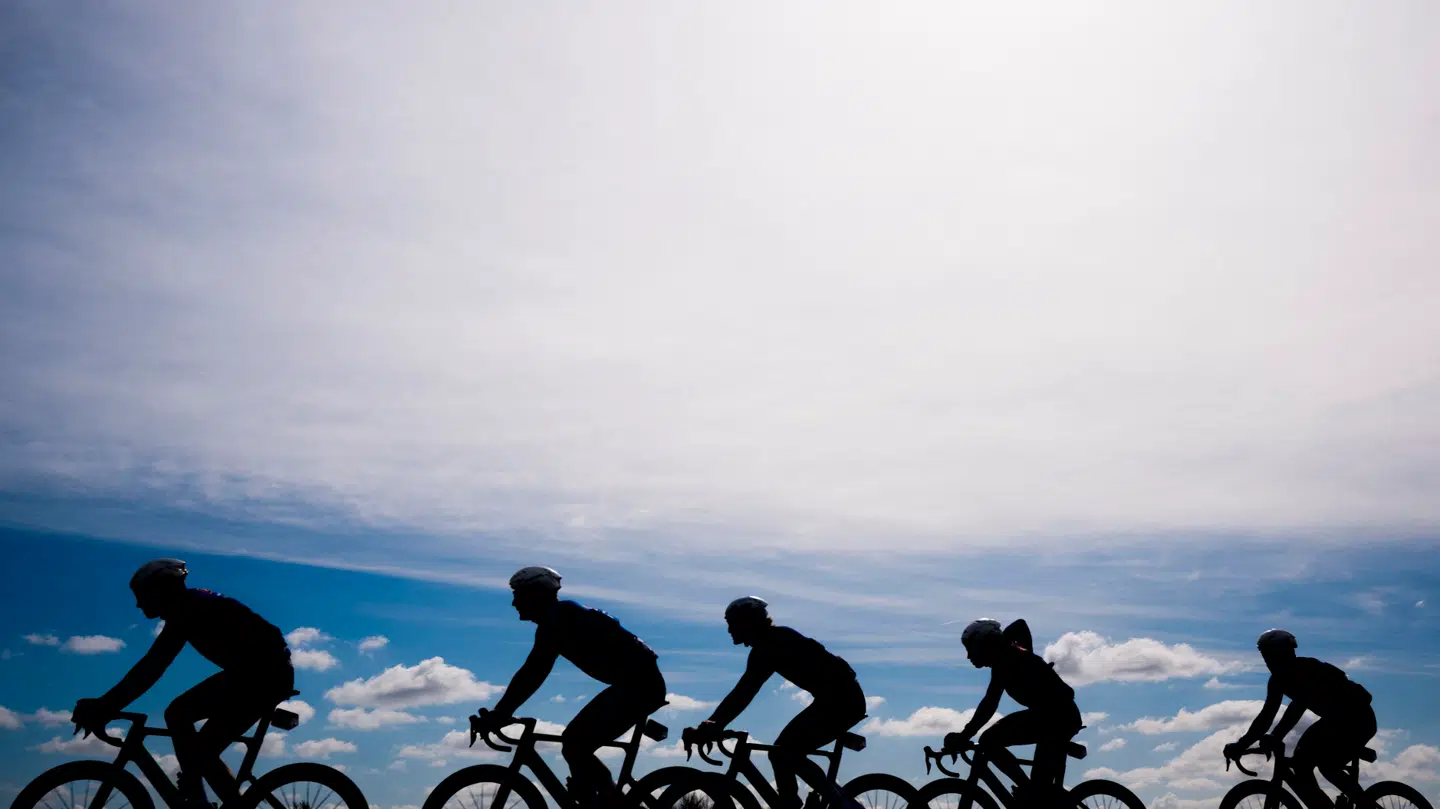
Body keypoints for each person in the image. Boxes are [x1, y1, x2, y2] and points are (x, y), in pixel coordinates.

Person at [72, 559, 294, 809]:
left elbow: (151, 668)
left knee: (196, 744)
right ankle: (200, 799)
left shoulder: (191, 608)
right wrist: (106, 705)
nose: (138, 604)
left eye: (142, 595)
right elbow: (151, 667)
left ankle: (200, 800)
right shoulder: (187, 608)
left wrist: (105, 705)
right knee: (181, 720)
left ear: (162, 588)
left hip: (262, 676)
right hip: (255, 674)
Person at [475, 566, 666, 809]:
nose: (514, 603)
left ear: (537, 593)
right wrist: (502, 711)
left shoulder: (563, 618)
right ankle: (605, 799)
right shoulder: (554, 621)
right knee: (574, 746)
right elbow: (532, 671)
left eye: (518, 595)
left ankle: (604, 801)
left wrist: (502, 712)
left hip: (641, 685)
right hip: (634, 684)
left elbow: (534, 672)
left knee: (575, 744)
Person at [694, 597, 867, 809]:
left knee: (783, 752)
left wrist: (715, 722)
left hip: (843, 701)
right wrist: (715, 722)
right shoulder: (767, 644)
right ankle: (796, 802)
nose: (729, 630)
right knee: (782, 753)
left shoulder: (774, 642)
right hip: (836, 699)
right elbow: (743, 691)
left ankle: (837, 804)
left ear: (749, 622)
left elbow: (744, 692)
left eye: (733, 623)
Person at [1224, 629, 1376, 809]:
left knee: (1327, 766)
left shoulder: (1307, 668)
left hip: (1359, 719)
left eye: (1272, 656)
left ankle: (1366, 806)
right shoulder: (1277, 680)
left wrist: (1275, 735)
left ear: (1287, 653)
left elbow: (1298, 707)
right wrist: (1241, 744)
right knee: (1300, 764)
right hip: (1333, 721)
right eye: (1265, 657)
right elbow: (1266, 716)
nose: (1268, 662)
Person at [944, 618, 1082, 806]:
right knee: (992, 743)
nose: (969, 656)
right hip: (1052, 717)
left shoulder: (1011, 658)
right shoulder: (1004, 660)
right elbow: (989, 703)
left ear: (984, 644)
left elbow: (989, 704)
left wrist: (965, 735)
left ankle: (1030, 792)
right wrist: (965, 734)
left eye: (971, 649)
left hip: (1058, 718)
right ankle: (1030, 792)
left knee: (990, 741)